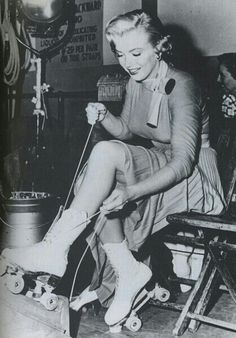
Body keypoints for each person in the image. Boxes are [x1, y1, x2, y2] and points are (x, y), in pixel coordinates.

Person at [1, 10, 226, 327]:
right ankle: (127, 270)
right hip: (161, 163)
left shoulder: (183, 86)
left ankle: (55, 248)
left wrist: (131, 191)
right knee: (97, 182)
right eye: (120, 54)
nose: (128, 62)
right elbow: (126, 131)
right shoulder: (137, 80)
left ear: (159, 47)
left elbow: (183, 162)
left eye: (136, 53)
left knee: (105, 159)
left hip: (195, 179)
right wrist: (105, 115)